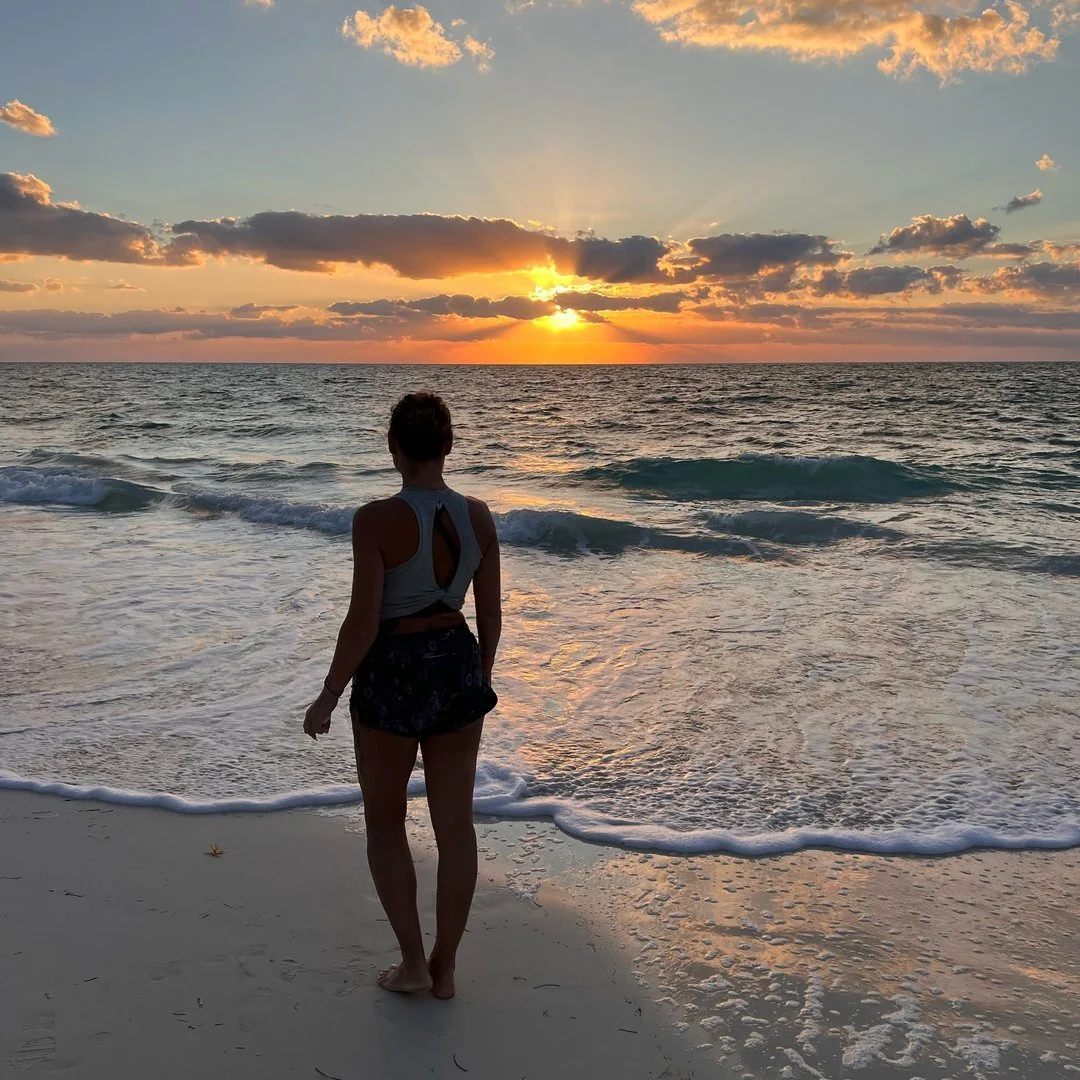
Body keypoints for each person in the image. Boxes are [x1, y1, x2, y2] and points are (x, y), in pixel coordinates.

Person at [303, 392, 501, 1000]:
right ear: (448, 446)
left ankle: (413, 961)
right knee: (456, 828)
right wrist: (478, 680)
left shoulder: (375, 520)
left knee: (386, 823)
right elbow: (490, 615)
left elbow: (362, 623)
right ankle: (444, 966)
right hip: (456, 661)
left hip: (391, 669)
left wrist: (329, 695)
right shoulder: (479, 516)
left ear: (393, 448)